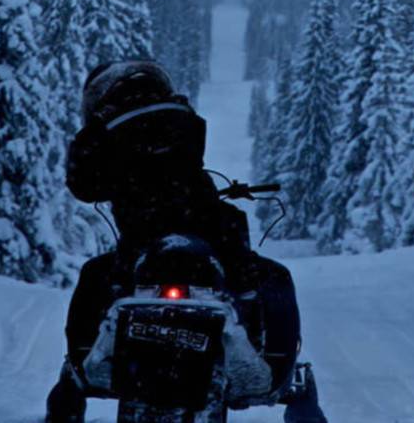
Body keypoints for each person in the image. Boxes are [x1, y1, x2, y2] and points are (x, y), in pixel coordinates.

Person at [46, 58, 327, 423]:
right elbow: (184, 165)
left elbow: (82, 186)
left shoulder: (100, 132)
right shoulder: (181, 115)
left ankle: (77, 372)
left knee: (94, 279)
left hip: (144, 242)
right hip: (210, 234)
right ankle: (281, 373)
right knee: (274, 280)